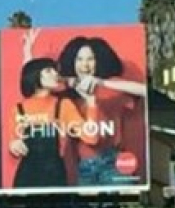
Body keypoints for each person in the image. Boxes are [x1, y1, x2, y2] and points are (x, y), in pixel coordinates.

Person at [54, 35, 146, 186]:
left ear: (99, 61)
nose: (84, 65)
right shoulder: (68, 93)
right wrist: (27, 54)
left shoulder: (110, 85)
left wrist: (102, 82)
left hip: (113, 162)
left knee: (124, 199)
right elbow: (38, 83)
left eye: (90, 59)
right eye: (79, 59)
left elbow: (144, 91)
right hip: (84, 166)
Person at [7, 58, 87, 189]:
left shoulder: (63, 105)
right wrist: (13, 145)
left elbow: (90, 137)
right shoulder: (19, 109)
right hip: (27, 176)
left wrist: (91, 100)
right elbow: (13, 148)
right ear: (35, 75)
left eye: (55, 71)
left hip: (54, 173)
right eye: (49, 71)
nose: (55, 74)